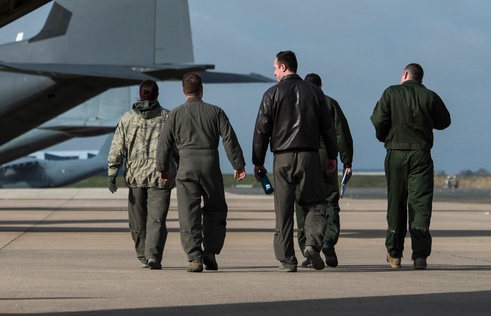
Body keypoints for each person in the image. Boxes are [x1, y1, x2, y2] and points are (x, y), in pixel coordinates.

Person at [252, 51, 337, 272]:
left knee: (283, 209)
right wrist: (332, 156)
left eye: (274, 67)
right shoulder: (315, 93)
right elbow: (328, 128)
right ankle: (312, 244)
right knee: (316, 203)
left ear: (282, 67)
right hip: (309, 155)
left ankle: (287, 260)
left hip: (282, 157)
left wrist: (258, 161)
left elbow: (262, 130)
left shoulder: (272, 93)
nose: (273, 71)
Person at [156, 72, 246, 273]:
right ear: (202, 90)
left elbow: (164, 143)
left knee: (189, 213)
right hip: (210, 166)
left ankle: (194, 257)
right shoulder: (216, 112)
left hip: (186, 167)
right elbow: (229, 138)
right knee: (215, 209)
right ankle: (210, 252)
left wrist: (163, 168)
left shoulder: (175, 114)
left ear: (183, 91)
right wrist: (238, 164)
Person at [371, 63, 451, 270]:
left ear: (405, 74)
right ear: (420, 78)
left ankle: (395, 254)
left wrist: (385, 137)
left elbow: (378, 120)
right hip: (421, 154)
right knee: (420, 204)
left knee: (396, 201)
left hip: (396, 153)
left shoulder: (390, 93)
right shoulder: (430, 96)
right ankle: (420, 256)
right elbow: (444, 122)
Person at [107, 80, 173, 270]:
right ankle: (153, 255)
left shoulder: (127, 118)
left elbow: (117, 146)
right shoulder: (167, 117)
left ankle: (143, 254)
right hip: (161, 176)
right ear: (157, 94)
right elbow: (176, 146)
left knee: (137, 220)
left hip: (135, 177)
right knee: (157, 220)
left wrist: (112, 173)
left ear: (139, 94)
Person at [295, 73, 354, 268]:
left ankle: (308, 247)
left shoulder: (296, 103)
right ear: (321, 86)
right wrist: (347, 162)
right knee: (330, 201)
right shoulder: (330, 103)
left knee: (303, 203)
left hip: (302, 157)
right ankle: (328, 240)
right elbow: (341, 134)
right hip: (326, 157)